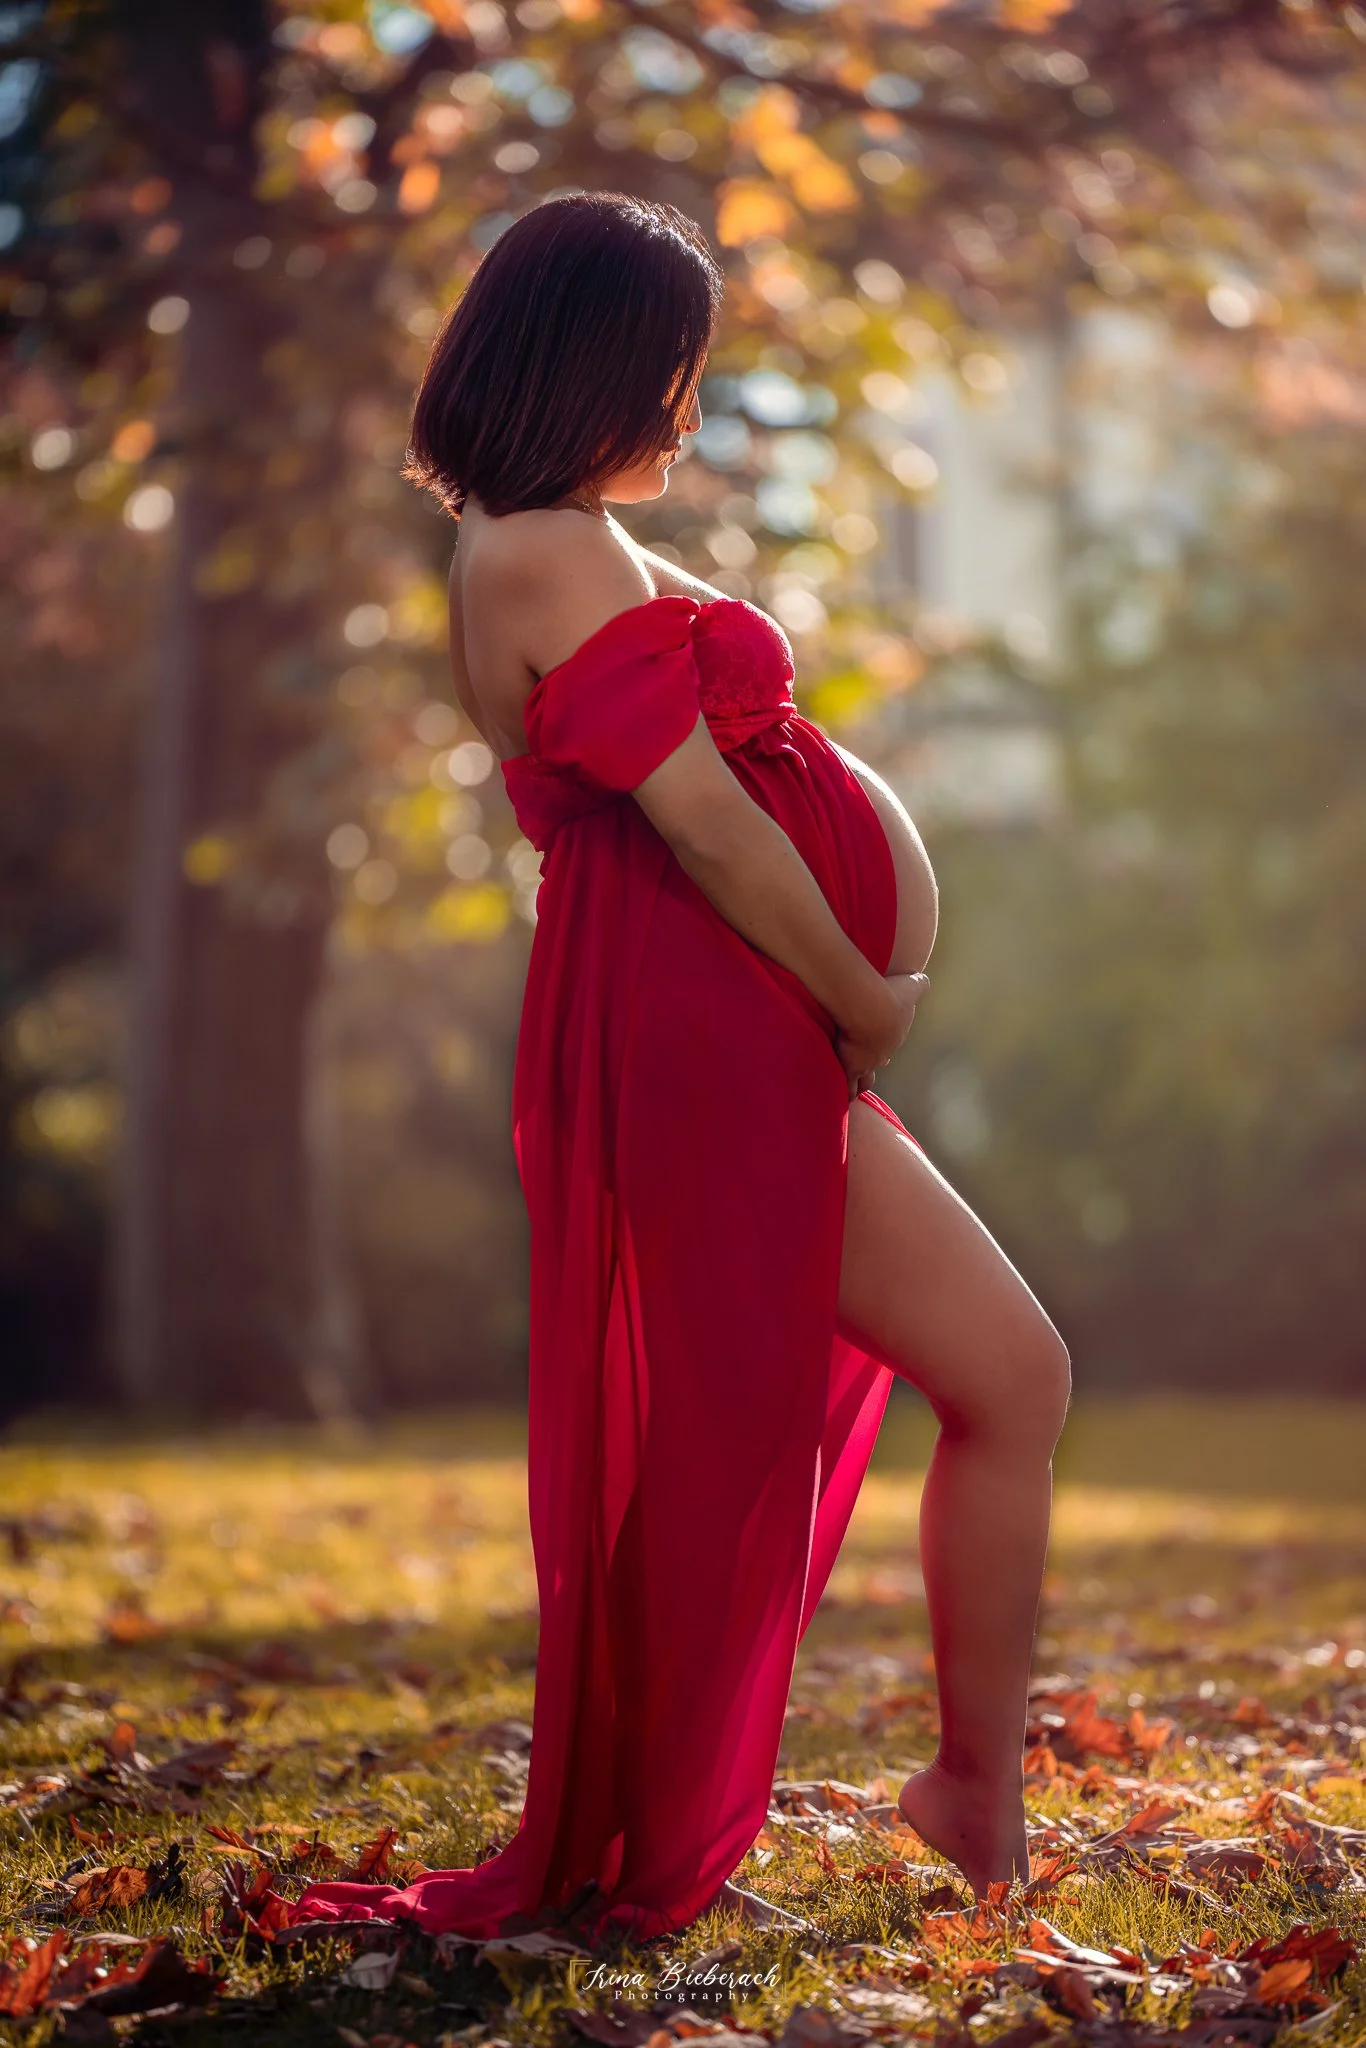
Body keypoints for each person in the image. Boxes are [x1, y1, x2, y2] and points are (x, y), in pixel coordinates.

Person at [279, 192, 1071, 1947]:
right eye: (671, 377)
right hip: (704, 1010)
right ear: (588, 369)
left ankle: (971, 1786)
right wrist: (861, 992)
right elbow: (704, 823)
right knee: (982, 1378)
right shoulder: (543, 549)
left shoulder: (545, 540)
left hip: (710, 1013)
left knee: (1000, 1379)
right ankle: (962, 1789)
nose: (687, 418)